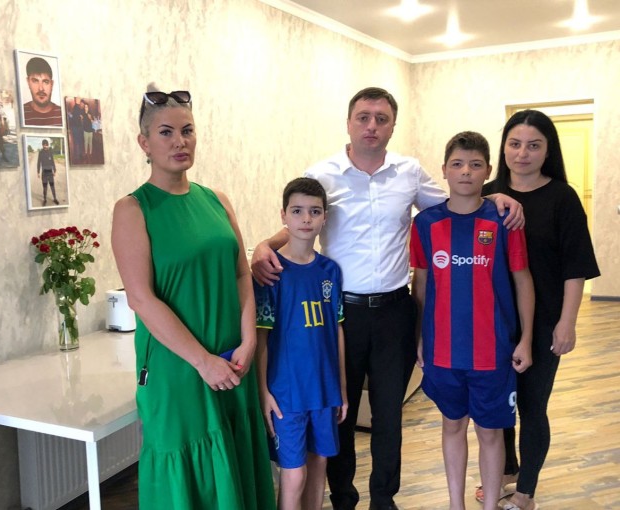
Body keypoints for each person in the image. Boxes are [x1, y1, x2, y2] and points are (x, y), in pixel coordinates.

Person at [251, 86, 524, 510]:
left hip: (395, 311)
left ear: (393, 125)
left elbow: (457, 200)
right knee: (340, 412)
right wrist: (264, 246)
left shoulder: (409, 172)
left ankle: (384, 499)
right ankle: (343, 498)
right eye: (363, 117)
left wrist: (495, 196)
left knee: (389, 416)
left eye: (381, 118)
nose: (372, 126)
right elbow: (300, 219)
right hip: (340, 314)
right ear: (349, 123)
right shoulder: (323, 173)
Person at [111, 86, 276, 509]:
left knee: (234, 459)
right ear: (144, 143)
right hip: (179, 368)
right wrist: (203, 362)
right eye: (165, 132)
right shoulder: (133, 209)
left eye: (187, 131)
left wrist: (249, 340)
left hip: (232, 361)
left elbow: (241, 273)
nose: (179, 141)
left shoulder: (217, 201)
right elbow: (141, 300)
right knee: (188, 472)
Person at [475, 110, 600, 510]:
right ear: (503, 148)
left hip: (544, 320)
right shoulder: (486, 194)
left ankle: (525, 490)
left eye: (533, 145)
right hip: (493, 319)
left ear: (548, 151)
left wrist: (567, 324)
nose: (522, 153)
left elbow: (575, 268)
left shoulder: (563, 198)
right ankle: (505, 470)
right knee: (499, 403)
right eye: (514, 144)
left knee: (531, 406)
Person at [409, 131, 535, 510]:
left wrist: (526, 339)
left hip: (493, 351)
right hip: (443, 351)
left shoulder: (504, 220)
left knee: (490, 432)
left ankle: (489, 504)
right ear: (444, 170)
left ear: (488, 171)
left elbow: (522, 280)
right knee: (452, 425)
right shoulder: (426, 223)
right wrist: (419, 337)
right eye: (458, 164)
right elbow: (421, 284)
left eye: (475, 164)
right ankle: (456, 504)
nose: (466, 171)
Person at [254, 177, 348, 510]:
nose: (306, 219)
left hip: (324, 391)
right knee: (294, 475)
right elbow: (261, 338)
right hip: (286, 395)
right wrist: (263, 392)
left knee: (319, 465)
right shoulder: (270, 273)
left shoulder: (330, 271)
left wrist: (342, 389)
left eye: (314, 211)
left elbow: (336, 332)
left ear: (324, 217)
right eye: (297, 211)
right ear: (283, 215)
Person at [22, 56, 62, 126]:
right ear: (28, 82)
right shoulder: (21, 112)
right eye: (35, 81)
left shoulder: (62, 114)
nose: (41, 88)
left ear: (52, 84)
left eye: (45, 82)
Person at [36, 139, 59, 206]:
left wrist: (54, 170)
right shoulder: (41, 153)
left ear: (48, 145)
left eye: (46, 145)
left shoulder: (50, 152)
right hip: (44, 173)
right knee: (45, 187)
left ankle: (55, 199)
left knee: (52, 186)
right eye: (44, 145)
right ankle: (45, 200)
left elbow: (52, 162)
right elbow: (38, 162)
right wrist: (38, 172)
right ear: (42, 145)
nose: (45, 146)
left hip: (50, 173)